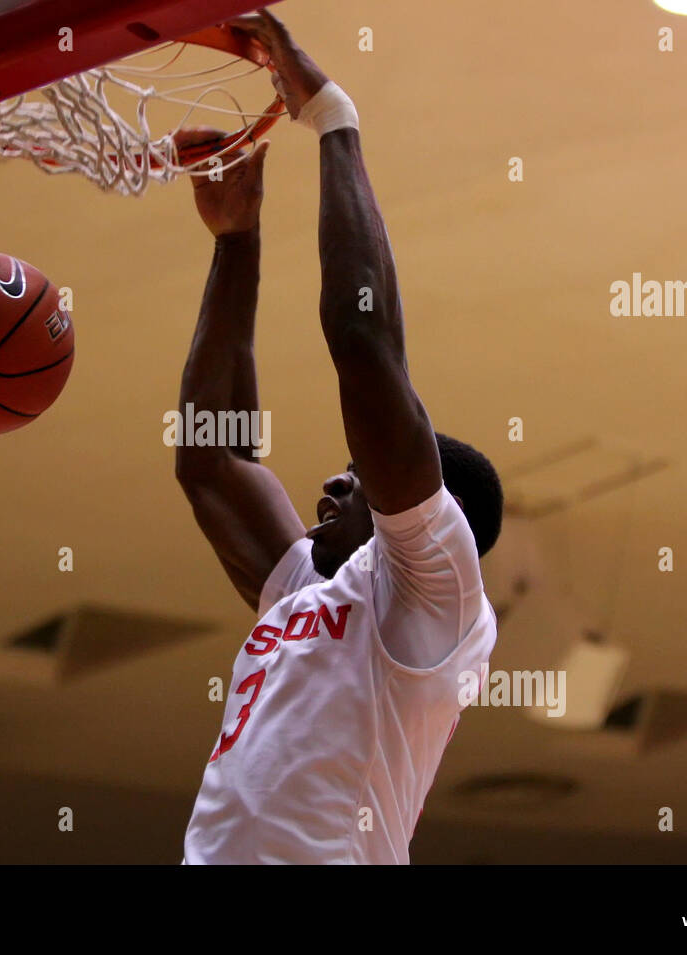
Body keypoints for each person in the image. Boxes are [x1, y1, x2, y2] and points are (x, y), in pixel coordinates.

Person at [173, 9, 505, 865]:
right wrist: (235, 242)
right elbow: (212, 459)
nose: (331, 481)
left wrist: (333, 123)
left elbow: (364, 349)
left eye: (358, 476)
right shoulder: (305, 595)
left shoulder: (435, 601)